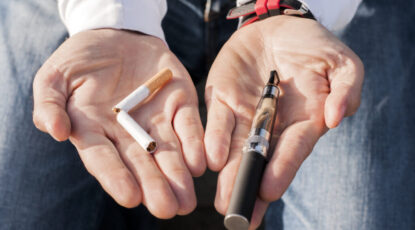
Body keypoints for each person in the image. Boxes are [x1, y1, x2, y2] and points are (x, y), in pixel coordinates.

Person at [0, 1, 413, 230]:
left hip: (322, 12)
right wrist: (111, 18)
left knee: (360, 220)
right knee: (18, 209)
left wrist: (292, 7)